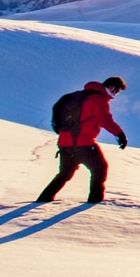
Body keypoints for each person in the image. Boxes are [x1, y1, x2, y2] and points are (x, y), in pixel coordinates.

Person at [37, 76, 129, 204]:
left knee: (64, 174)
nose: (116, 94)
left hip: (65, 142)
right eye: (117, 91)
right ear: (112, 87)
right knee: (100, 168)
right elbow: (105, 120)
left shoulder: (80, 95)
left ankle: (42, 199)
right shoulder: (99, 99)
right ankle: (95, 201)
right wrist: (120, 134)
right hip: (83, 143)